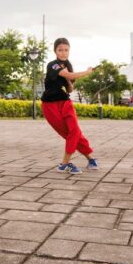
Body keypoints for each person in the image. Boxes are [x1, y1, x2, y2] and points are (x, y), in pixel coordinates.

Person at [41, 38, 99, 175]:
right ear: (55, 51)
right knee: (69, 134)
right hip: (50, 105)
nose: (63, 53)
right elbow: (69, 74)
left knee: (75, 131)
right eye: (60, 50)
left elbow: (70, 90)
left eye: (66, 50)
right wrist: (87, 72)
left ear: (69, 50)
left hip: (65, 102)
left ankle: (64, 164)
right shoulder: (52, 65)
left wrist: (68, 81)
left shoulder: (68, 64)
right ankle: (90, 157)